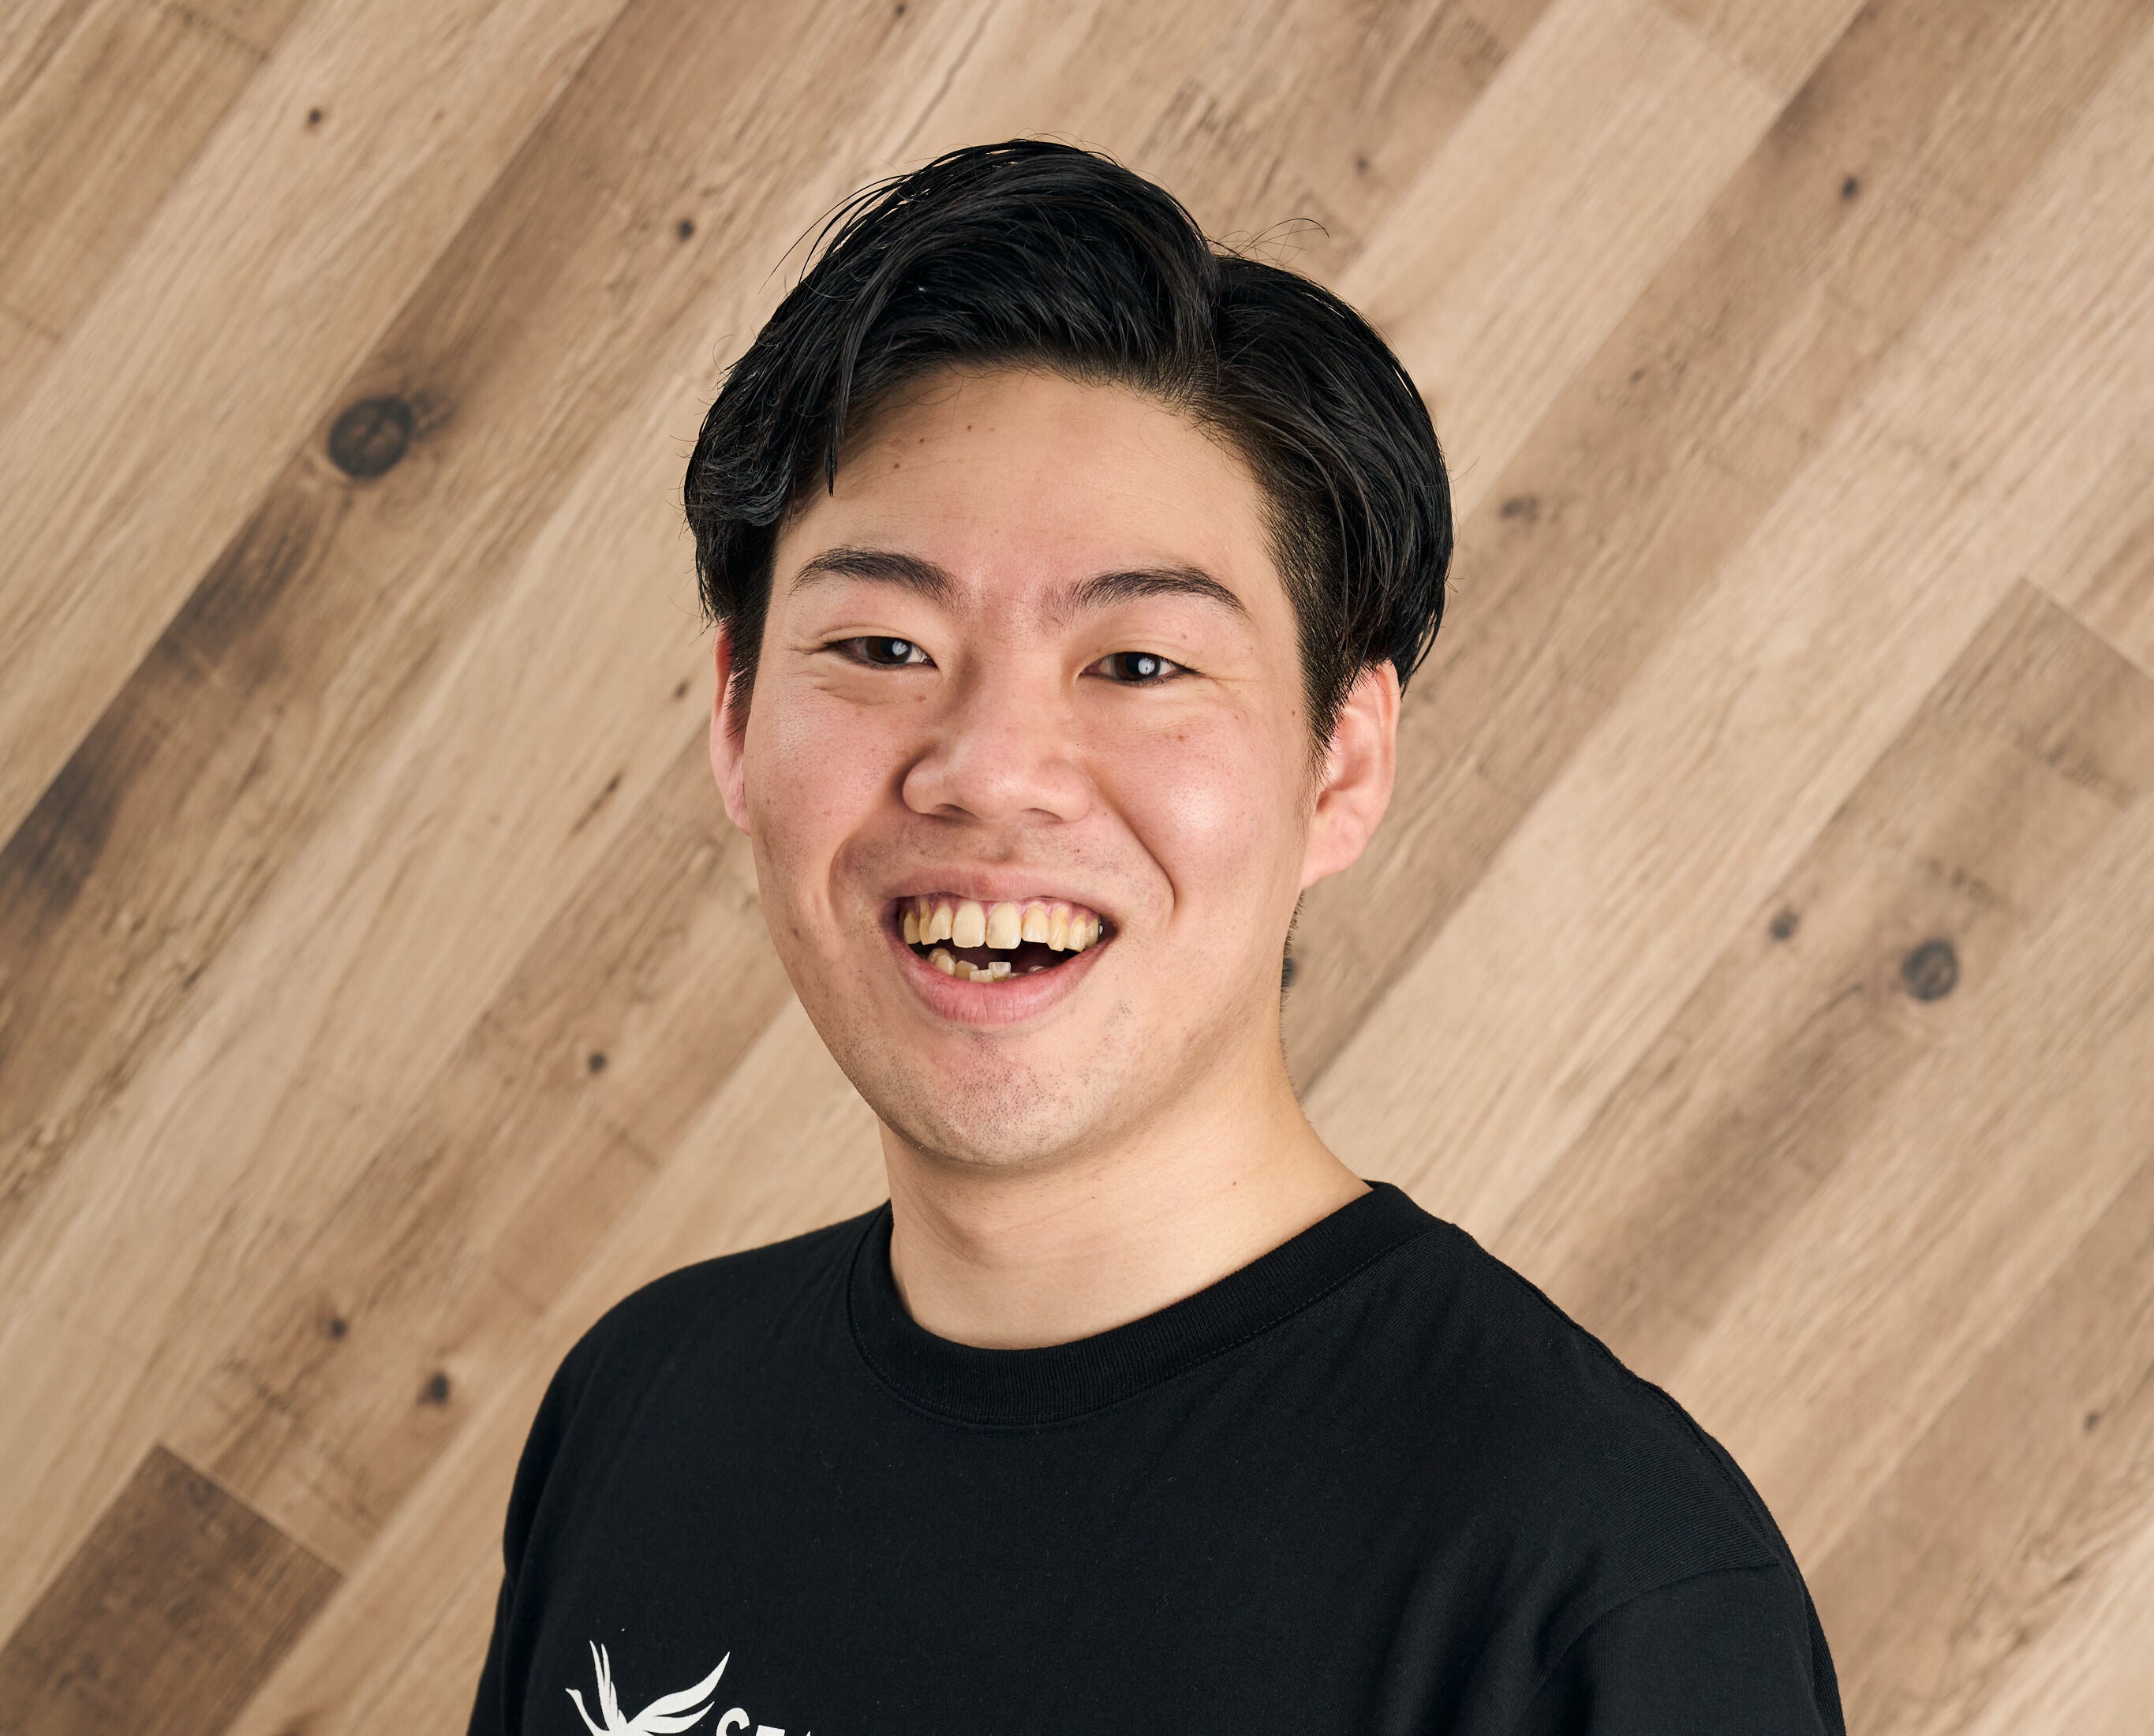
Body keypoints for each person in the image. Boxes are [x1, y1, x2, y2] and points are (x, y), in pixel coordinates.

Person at [465, 138, 1845, 1734]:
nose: (988, 768)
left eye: (1136, 666)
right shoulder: (647, 1401)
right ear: (733, 715)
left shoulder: (1596, 1592)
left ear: (1341, 765)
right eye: (884, 645)